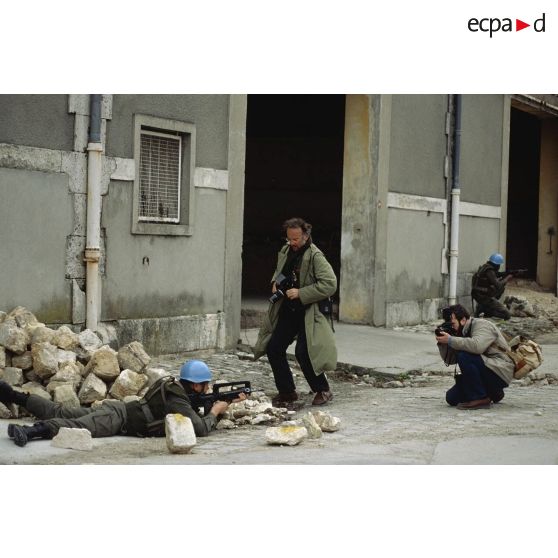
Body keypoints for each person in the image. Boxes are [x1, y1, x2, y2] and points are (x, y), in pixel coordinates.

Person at [0, 359, 244, 447]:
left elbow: (191, 414)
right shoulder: (178, 397)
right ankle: (30, 431)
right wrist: (215, 411)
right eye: (205, 385)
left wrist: (219, 406)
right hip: (118, 419)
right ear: (195, 385)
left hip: (118, 410)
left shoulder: (176, 388)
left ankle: (15, 396)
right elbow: (199, 429)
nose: (208, 389)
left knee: (61, 409)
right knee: (74, 425)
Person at [253, 217, 337, 407]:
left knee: (304, 352)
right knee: (274, 348)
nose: (292, 243)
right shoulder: (286, 250)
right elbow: (283, 270)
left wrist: (301, 292)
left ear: (306, 236)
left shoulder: (316, 256)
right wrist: (277, 282)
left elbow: (330, 284)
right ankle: (287, 392)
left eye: (296, 239)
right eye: (289, 239)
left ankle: (322, 389)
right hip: (289, 308)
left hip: (309, 311)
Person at [436, 304, 515, 410]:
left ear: (463, 320)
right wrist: (443, 343)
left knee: (464, 356)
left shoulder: (482, 325)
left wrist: (451, 340)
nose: (452, 326)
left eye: (453, 323)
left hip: (500, 370)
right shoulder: (461, 332)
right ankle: (494, 392)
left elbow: (477, 346)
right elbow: (450, 360)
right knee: (451, 398)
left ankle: (480, 398)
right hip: (486, 370)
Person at [471, 253, 512, 320]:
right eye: (499, 265)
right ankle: (485, 310)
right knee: (507, 314)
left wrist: (506, 273)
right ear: (496, 265)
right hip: (485, 297)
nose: (499, 267)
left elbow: (496, 275)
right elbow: (498, 285)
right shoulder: (489, 271)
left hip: (478, 295)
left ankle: (482, 308)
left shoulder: (485, 268)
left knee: (488, 306)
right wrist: (507, 278)